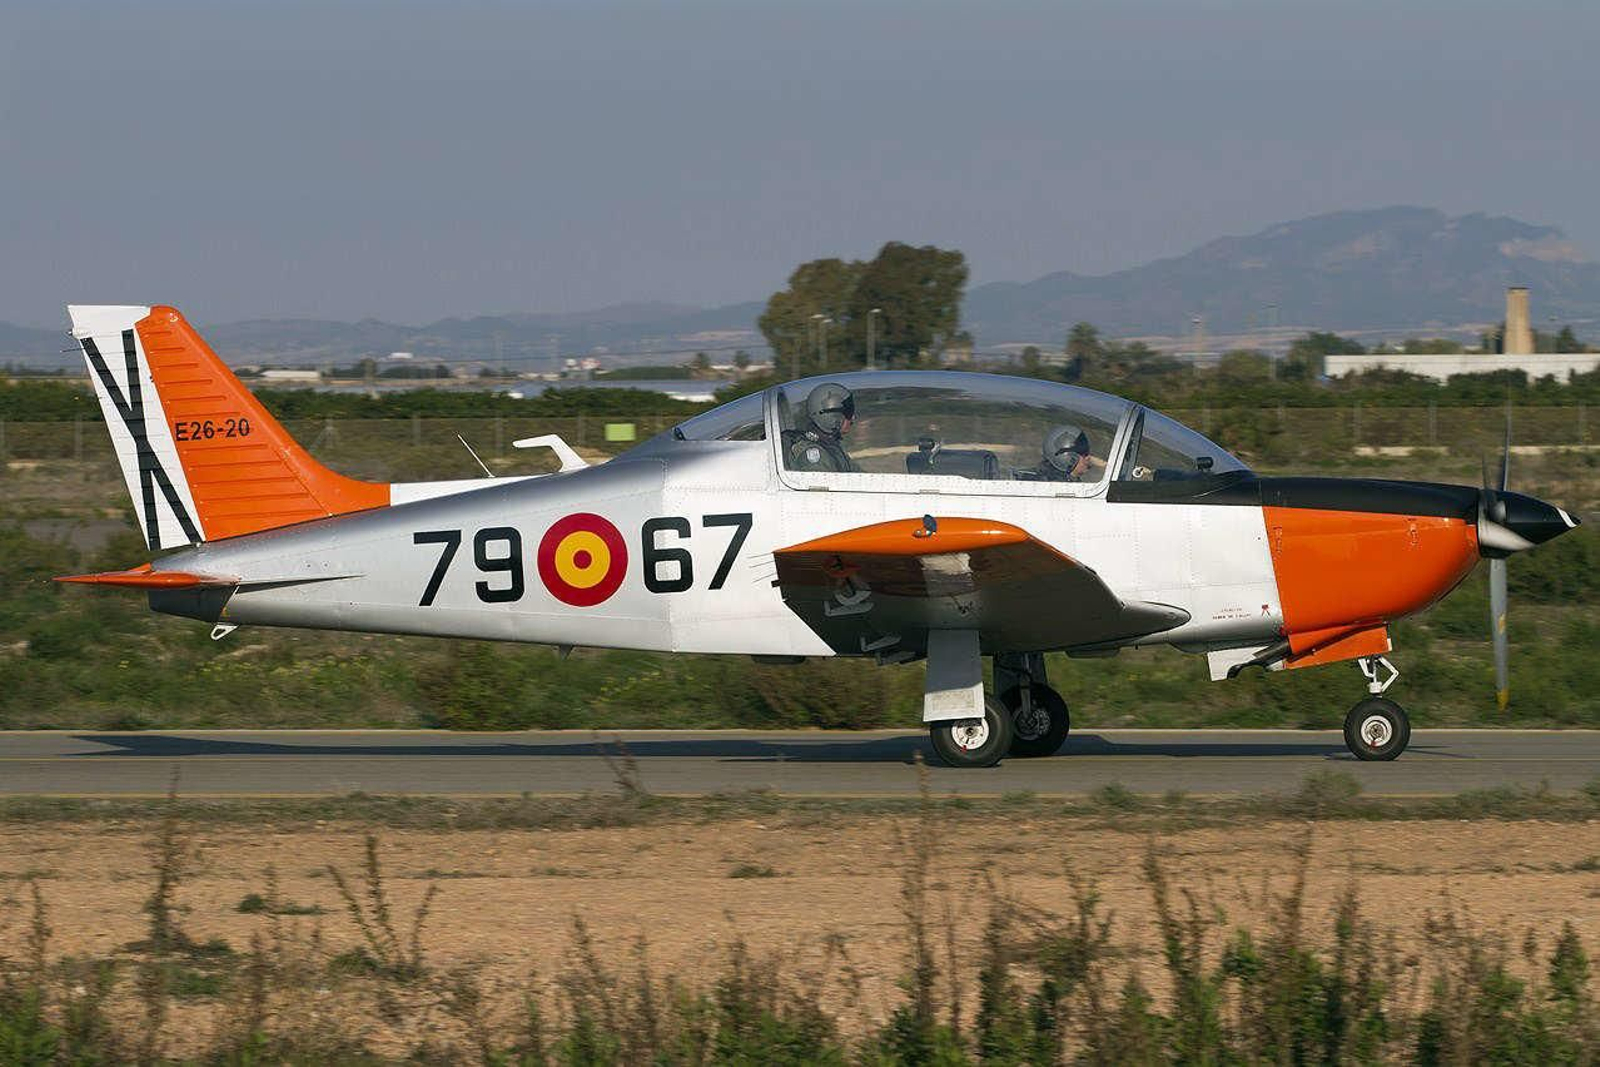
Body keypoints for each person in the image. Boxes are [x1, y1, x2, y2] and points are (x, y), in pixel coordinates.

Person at [783, 382, 858, 472]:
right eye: (848, 413)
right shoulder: (815, 455)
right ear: (831, 417)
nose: (853, 418)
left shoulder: (831, 445)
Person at [1030, 423, 1100, 481]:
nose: (1089, 459)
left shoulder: (1069, 482)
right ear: (1067, 459)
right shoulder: (1046, 484)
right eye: (1084, 455)